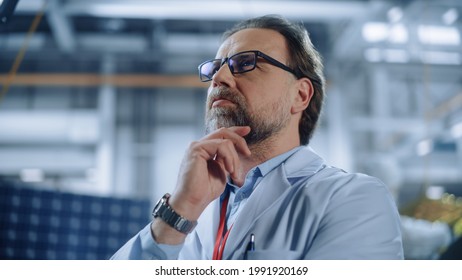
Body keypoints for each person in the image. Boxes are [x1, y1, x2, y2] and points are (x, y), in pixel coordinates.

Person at [111, 15, 403, 260]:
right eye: (215, 68)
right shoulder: (193, 218)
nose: (218, 79)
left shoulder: (353, 200)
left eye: (245, 63)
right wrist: (179, 211)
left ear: (300, 95)